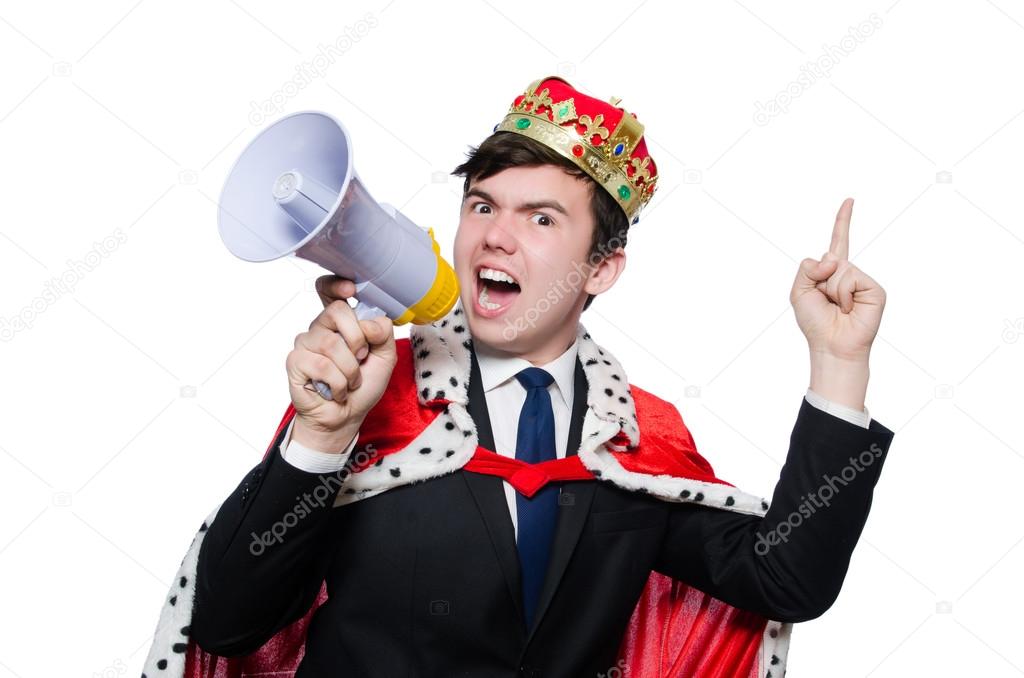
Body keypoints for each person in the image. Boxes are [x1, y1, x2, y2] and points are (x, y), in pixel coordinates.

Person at [143, 76, 895, 678]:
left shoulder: (637, 435)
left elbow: (787, 581)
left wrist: (839, 363)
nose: (496, 236)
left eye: (540, 218)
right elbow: (227, 622)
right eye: (481, 204)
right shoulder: (374, 396)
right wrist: (319, 435)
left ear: (602, 269)